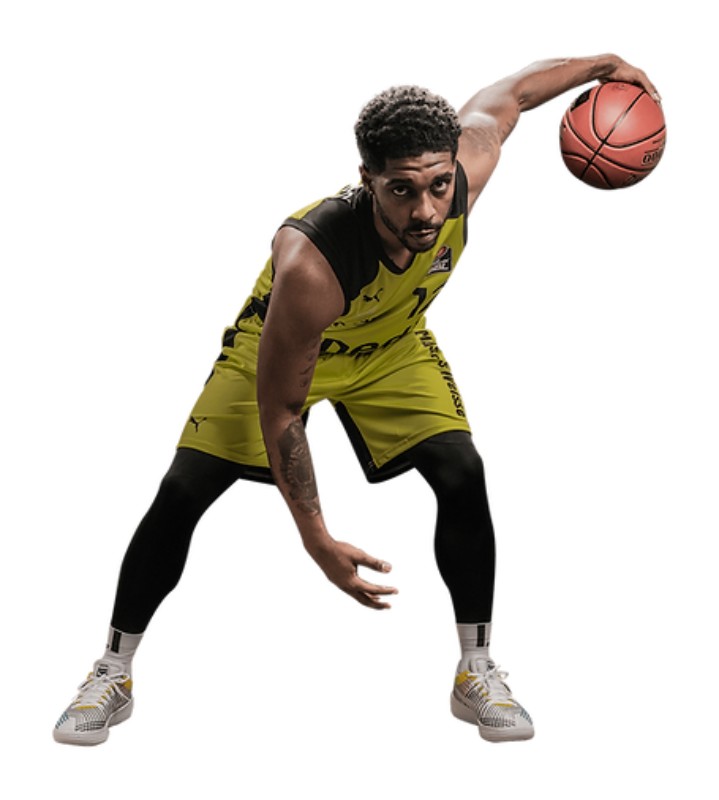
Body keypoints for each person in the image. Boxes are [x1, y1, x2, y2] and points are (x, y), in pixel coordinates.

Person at [53, 54, 658, 746]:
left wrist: (604, 64)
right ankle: (112, 671)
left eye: (437, 185)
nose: (425, 210)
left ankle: (475, 669)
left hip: (392, 344)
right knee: (184, 489)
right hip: (281, 350)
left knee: (462, 471)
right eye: (401, 190)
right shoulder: (313, 262)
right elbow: (282, 413)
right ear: (367, 180)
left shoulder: (467, 167)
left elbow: (512, 95)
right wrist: (318, 542)